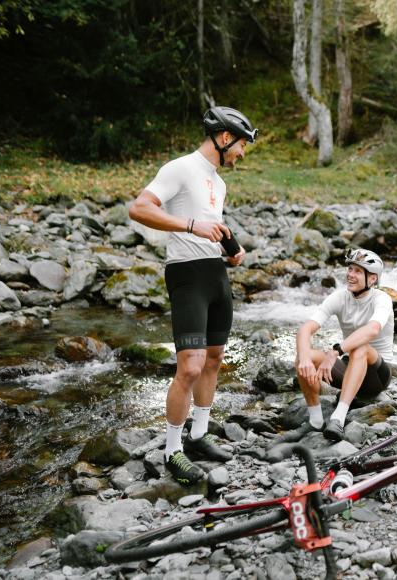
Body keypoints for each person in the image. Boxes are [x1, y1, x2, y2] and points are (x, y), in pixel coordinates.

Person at [127, 106, 257, 484]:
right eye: (241, 146)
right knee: (190, 367)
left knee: (214, 359)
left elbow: (211, 225)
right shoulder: (180, 168)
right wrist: (189, 225)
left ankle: (198, 435)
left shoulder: (220, 182)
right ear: (223, 137)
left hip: (215, 273)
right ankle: (172, 450)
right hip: (186, 274)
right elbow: (139, 208)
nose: (242, 154)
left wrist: (232, 250)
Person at [294, 248, 395, 442]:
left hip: (378, 375)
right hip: (350, 370)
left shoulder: (382, 299)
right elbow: (305, 329)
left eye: (358, 271)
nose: (350, 274)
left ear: (372, 279)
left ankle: (338, 418)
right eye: (350, 269)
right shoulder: (339, 297)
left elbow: (372, 330)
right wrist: (305, 359)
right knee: (303, 354)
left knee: (360, 347)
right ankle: (315, 420)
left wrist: (336, 351)